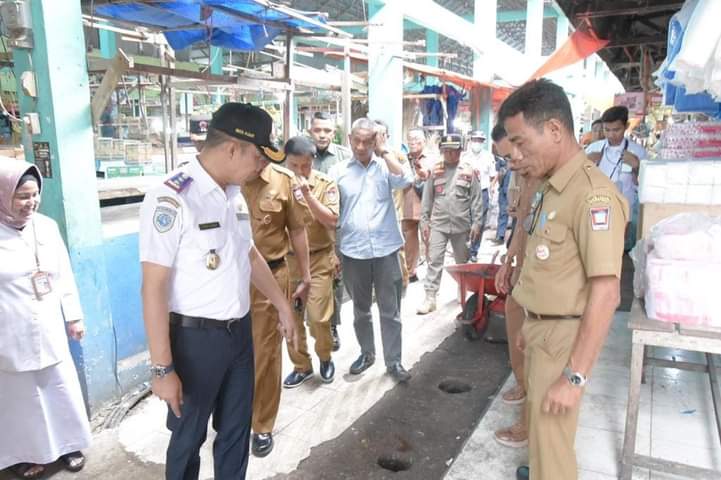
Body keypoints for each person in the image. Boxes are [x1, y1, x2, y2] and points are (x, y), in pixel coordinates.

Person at [139, 103, 298, 480]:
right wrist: (163, 368)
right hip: (195, 342)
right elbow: (153, 287)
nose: (262, 165)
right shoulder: (172, 197)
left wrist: (282, 306)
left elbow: (248, 254)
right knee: (187, 438)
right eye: (259, 156)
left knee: (235, 432)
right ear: (232, 148)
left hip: (239, 335)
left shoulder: (234, 194)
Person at [498, 79, 628, 480]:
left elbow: (606, 294)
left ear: (554, 129)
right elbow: (546, 263)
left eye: (520, 142)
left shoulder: (592, 196)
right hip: (543, 331)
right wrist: (529, 327)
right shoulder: (551, 188)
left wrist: (574, 376)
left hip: (563, 341)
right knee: (542, 442)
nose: (516, 155)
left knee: (553, 455)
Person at [0, 159, 91, 479]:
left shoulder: (47, 227)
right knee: (20, 400)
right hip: (9, 329)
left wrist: (74, 317)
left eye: (35, 194)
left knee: (60, 388)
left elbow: (64, 276)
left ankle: (69, 445)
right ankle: (23, 454)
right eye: (22, 196)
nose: (31, 202)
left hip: (49, 324)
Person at [242, 134, 313, 457]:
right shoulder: (226, 180)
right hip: (227, 278)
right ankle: (234, 412)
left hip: (271, 274)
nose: (260, 164)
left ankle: (262, 424)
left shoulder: (284, 181)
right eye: (256, 156)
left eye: (265, 158)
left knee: (267, 352)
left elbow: (297, 230)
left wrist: (306, 275)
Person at [329, 118, 414, 383]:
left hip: (386, 250)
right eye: (357, 140)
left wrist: (384, 150)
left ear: (375, 140)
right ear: (349, 139)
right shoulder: (338, 171)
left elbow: (406, 180)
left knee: (391, 310)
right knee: (360, 310)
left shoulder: (386, 166)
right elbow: (331, 214)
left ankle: (394, 361)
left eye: (367, 141)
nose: (361, 146)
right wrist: (332, 250)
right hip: (353, 252)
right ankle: (367, 354)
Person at [491, 123, 542, 450]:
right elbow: (522, 222)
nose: (510, 164)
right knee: (514, 320)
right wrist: (509, 258)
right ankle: (522, 381)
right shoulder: (524, 174)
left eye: (511, 156)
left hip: (543, 275)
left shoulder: (552, 178)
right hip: (523, 261)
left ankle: (528, 424)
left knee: (536, 344)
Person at [282, 136, 338, 388]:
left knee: (318, 317)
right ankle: (301, 366)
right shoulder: (277, 185)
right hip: (287, 262)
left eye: (305, 165)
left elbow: (332, 220)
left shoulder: (325, 184)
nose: (299, 171)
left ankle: (325, 356)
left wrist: (307, 195)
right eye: (293, 165)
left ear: (312, 161)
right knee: (290, 319)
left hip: (319, 259)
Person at [417, 134, 483, 315]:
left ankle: (463, 291)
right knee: (434, 260)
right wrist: (424, 222)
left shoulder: (469, 171)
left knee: (462, 263)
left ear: (460, 151)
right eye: (446, 151)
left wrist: (477, 223)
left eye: (454, 151)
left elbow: (476, 199)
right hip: (438, 224)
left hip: (462, 225)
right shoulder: (435, 171)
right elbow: (427, 199)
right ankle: (430, 297)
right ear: (442, 151)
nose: (450, 154)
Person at [309, 111, 352, 351]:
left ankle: (332, 326)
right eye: (318, 130)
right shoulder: (300, 155)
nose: (322, 135)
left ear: (333, 132)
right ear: (310, 131)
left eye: (327, 130)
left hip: (335, 230)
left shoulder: (345, 157)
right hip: (304, 230)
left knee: (334, 279)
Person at [586, 105, 646, 251]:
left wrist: (637, 166)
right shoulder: (593, 149)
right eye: (607, 130)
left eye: (616, 130)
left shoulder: (638, 152)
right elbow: (578, 180)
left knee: (618, 250)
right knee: (596, 248)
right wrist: (586, 164)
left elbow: (645, 186)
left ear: (626, 126)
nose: (611, 135)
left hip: (624, 212)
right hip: (596, 208)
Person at [403, 128, 432, 282]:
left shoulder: (432, 158)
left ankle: (432, 272)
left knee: (429, 240)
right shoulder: (402, 159)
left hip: (427, 206)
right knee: (409, 241)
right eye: (410, 139)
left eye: (416, 139)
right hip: (408, 205)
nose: (413, 142)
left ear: (424, 141)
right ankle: (411, 272)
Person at [464, 130, 496, 261]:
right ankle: (464, 247)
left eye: (480, 141)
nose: (477, 143)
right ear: (471, 141)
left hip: (482, 192)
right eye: (475, 140)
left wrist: (491, 188)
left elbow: (493, 176)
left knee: (479, 223)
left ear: (483, 142)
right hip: (465, 192)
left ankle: (474, 251)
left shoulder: (488, 157)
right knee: (465, 220)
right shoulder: (464, 157)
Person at [491, 147, 512, 246]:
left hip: (514, 190)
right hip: (503, 189)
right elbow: (499, 173)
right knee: (502, 213)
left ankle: (513, 239)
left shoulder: (517, 157)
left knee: (517, 215)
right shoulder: (501, 159)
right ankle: (500, 236)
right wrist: (494, 184)